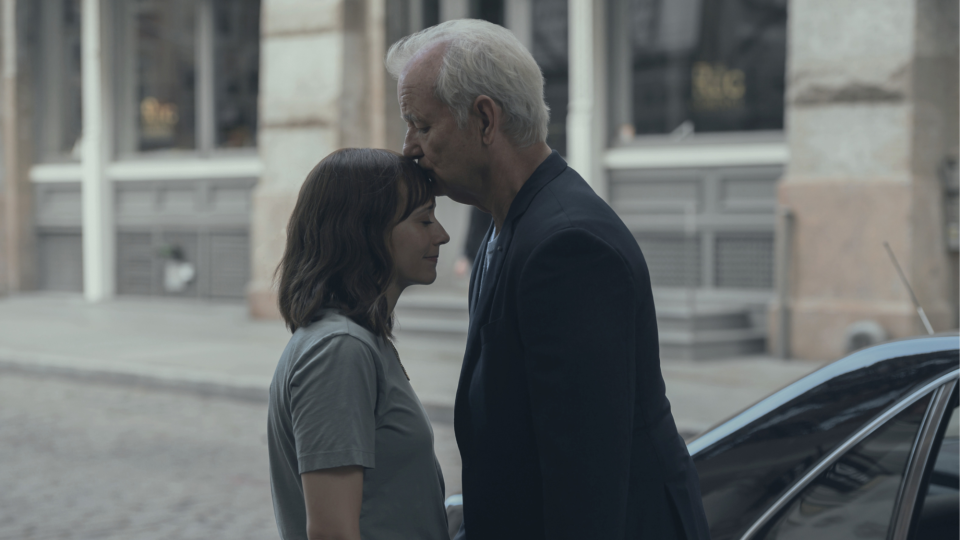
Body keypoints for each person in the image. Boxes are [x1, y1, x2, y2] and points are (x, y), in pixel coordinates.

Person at [386, 20, 711, 540]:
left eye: (421, 125)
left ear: (485, 119)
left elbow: (584, 490)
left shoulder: (567, 247)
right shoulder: (508, 227)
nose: (409, 149)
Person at [267, 148, 452, 540]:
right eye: (424, 219)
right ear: (366, 232)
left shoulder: (360, 340)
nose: (442, 234)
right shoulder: (338, 350)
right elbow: (333, 532)